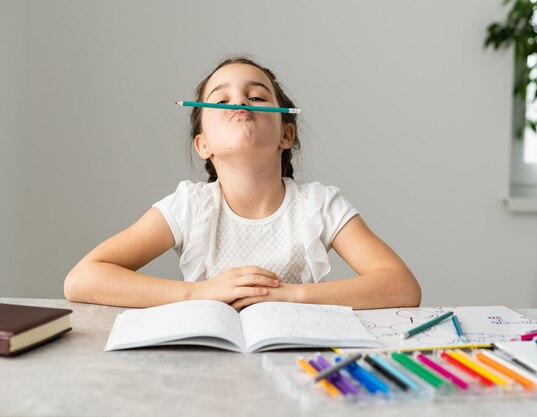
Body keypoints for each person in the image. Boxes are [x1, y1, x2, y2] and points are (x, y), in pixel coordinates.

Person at [64, 56, 421, 310]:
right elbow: (82, 280)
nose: (239, 102)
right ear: (203, 145)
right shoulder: (190, 206)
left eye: (257, 97)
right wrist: (201, 293)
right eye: (221, 99)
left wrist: (287, 295)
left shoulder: (319, 205)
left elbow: (401, 286)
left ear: (286, 133)